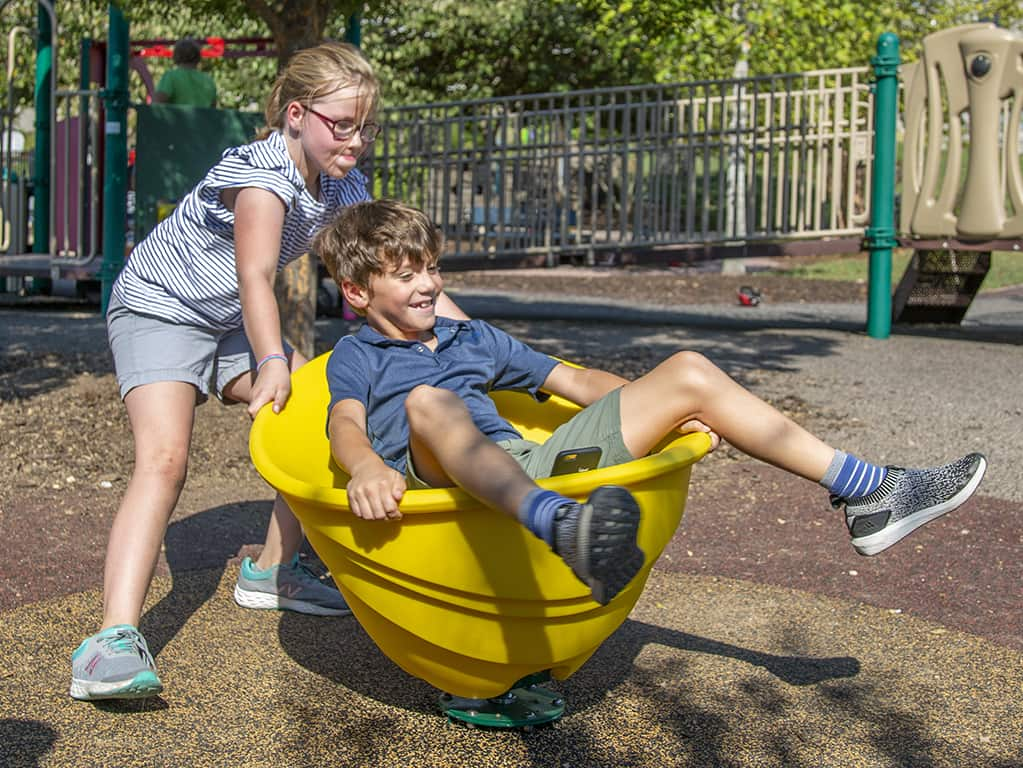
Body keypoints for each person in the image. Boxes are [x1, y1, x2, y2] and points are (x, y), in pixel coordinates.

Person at [317, 199, 987, 607]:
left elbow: (577, 382)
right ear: (355, 291)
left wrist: (663, 410)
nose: (428, 285)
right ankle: (560, 528)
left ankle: (869, 490)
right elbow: (345, 425)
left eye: (432, 269)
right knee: (432, 403)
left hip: (528, 462)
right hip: (441, 481)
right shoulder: (358, 355)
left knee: (689, 370)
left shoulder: (473, 336)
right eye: (405, 276)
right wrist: (368, 469)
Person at [70, 43, 465, 703]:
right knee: (165, 459)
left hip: (226, 317)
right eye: (342, 124)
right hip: (160, 307)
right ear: (294, 114)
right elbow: (254, 274)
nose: (357, 140)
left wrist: (469, 337)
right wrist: (275, 361)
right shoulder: (261, 175)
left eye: (367, 127)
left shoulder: (343, 186)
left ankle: (273, 571)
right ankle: (110, 640)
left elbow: (388, 270)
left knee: (321, 412)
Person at [153, 38, 218, 108]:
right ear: (198, 57)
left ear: (176, 56)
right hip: (202, 119)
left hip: (177, 119)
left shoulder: (171, 77)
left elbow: (156, 106)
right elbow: (212, 111)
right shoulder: (208, 81)